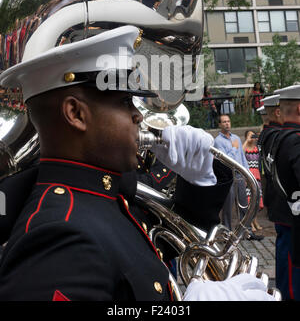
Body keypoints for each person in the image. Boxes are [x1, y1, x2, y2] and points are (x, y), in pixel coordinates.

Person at [0, 25, 273, 301]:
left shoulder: (109, 194)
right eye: (125, 101)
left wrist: (197, 181)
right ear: (76, 113)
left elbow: (153, 255)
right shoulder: (57, 237)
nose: (138, 116)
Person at [263, 85, 300, 301]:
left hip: (285, 209)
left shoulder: (279, 136)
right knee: (293, 278)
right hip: (292, 215)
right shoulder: (295, 140)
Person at [214, 114, 263, 240]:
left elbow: (242, 158)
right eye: (224, 122)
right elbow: (225, 159)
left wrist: (248, 175)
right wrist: (234, 148)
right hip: (228, 176)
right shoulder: (218, 141)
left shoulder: (236, 138)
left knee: (244, 204)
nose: (227, 124)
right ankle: (227, 233)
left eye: (228, 121)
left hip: (240, 175)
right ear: (219, 124)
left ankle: (246, 232)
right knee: (228, 206)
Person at [242, 130, 263, 233]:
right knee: (249, 200)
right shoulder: (245, 147)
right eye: (249, 135)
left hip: (257, 176)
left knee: (256, 200)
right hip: (248, 176)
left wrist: (258, 137)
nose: (252, 137)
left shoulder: (257, 147)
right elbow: (240, 153)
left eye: (253, 135)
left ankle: (255, 220)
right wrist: (247, 140)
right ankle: (250, 222)